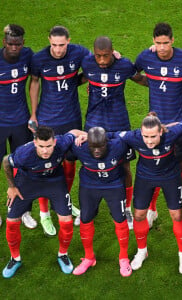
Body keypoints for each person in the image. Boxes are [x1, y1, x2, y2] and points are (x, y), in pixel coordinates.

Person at [135, 22, 182, 230]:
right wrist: (150, 82)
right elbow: (130, 72)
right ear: (153, 42)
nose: (162, 47)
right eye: (158, 43)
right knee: (152, 166)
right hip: (156, 126)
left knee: (180, 166)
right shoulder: (145, 57)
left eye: (166, 43)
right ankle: (152, 209)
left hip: (181, 124)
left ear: (173, 40)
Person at [116, 112, 182, 274]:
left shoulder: (172, 134)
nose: (149, 141)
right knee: (139, 215)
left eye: (153, 136)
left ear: (161, 132)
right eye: (145, 136)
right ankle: (142, 251)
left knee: (177, 215)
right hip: (145, 179)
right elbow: (111, 135)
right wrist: (85, 136)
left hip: (170, 178)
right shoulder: (133, 137)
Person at [2, 126, 86, 278]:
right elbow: (6, 161)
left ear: (54, 142)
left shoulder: (62, 142)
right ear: (35, 143)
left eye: (48, 146)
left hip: (54, 182)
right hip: (28, 182)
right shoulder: (24, 153)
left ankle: (63, 255)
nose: (45, 151)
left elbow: (74, 132)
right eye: (41, 146)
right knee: (11, 221)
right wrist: (12, 187)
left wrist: (86, 135)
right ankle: (15, 259)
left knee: (66, 221)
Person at [81, 36, 147, 230]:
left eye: (106, 56)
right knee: (89, 164)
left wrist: (167, 85)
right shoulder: (86, 62)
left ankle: (126, 207)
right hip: (93, 124)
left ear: (113, 52)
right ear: (94, 54)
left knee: (124, 166)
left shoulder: (124, 65)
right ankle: (89, 208)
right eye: (99, 56)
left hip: (119, 124)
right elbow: (77, 75)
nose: (102, 61)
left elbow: (142, 79)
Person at [29, 25, 89, 235]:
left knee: (70, 163)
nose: (57, 50)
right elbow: (34, 83)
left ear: (68, 41)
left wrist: (85, 78)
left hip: (72, 117)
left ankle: (63, 200)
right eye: (54, 45)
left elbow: (95, 65)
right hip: (48, 120)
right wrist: (34, 114)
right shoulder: (39, 59)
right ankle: (45, 213)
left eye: (61, 45)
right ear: (49, 41)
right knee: (47, 165)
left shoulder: (79, 52)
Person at [71, 127, 132, 277]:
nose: (97, 151)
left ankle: (123, 258)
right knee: (85, 219)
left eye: (101, 146)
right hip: (89, 186)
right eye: (93, 146)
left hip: (114, 185)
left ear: (107, 142)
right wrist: (81, 134)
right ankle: (89, 257)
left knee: (120, 219)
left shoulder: (119, 145)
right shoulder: (78, 147)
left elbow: (135, 135)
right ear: (87, 143)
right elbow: (67, 135)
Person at [0, 24, 37, 229]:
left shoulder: (28, 55)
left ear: (23, 43)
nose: (15, 48)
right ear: (4, 42)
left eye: (19, 44)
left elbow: (35, 80)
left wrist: (33, 113)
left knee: (23, 166)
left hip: (21, 121)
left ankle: (23, 210)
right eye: (11, 44)